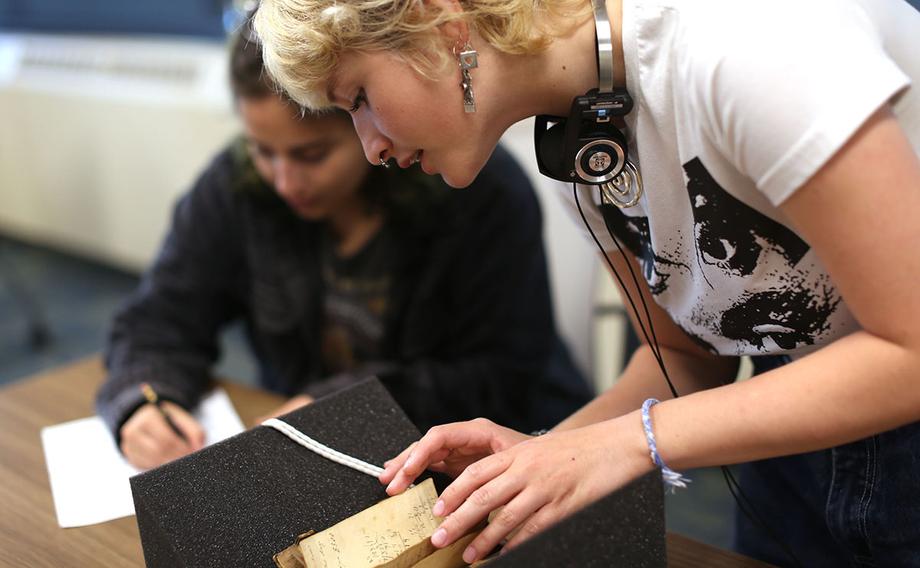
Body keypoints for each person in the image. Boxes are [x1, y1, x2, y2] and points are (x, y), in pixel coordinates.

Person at [254, 0, 920, 565]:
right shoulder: (587, 147)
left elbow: (911, 354)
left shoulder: (746, 45)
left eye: (360, 98)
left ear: (442, 23)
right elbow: (690, 360)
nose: (369, 146)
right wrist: (544, 459)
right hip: (795, 432)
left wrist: (631, 441)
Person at [95, 17, 593, 472]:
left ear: (365, 119)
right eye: (263, 151)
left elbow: (500, 379)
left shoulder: (475, 189)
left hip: (485, 458)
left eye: (311, 155)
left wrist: (343, 406)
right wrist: (145, 400)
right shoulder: (236, 185)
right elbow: (159, 316)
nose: (285, 181)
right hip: (317, 458)